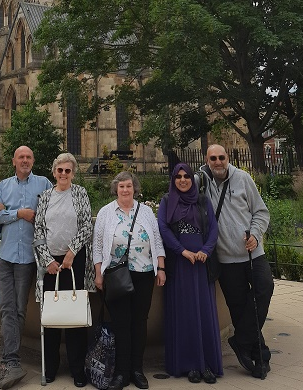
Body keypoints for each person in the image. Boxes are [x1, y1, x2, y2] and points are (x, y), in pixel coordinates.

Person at [200, 144, 274, 379]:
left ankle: (241, 340)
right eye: (213, 158)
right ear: (207, 160)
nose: (218, 162)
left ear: (228, 158)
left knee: (265, 288)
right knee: (240, 307)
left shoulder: (242, 179)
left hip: (253, 253)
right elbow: (179, 184)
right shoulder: (202, 182)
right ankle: (260, 355)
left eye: (221, 157)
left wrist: (254, 233)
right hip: (226, 260)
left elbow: (261, 212)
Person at [93, 171, 166, 390]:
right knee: (121, 324)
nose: (125, 190)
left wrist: (160, 267)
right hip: (116, 275)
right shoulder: (106, 212)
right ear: (116, 189)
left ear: (135, 188)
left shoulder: (145, 212)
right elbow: (97, 245)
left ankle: (137, 370)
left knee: (139, 322)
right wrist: (98, 273)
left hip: (143, 273)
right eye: (122, 186)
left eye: (129, 186)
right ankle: (121, 373)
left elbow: (158, 240)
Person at [0, 145, 52, 389]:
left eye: (29, 157)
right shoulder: (4, 186)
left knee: (18, 309)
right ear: (14, 161)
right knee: (6, 308)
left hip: (28, 257)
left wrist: (8, 211)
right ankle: (10, 360)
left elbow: (47, 216)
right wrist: (20, 213)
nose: (25, 160)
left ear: (33, 160)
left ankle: (10, 360)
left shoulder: (44, 184)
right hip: (6, 256)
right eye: (21, 157)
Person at [157, 163, 222, 383]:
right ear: (173, 179)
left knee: (204, 313)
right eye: (178, 177)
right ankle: (190, 365)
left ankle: (207, 364)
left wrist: (205, 250)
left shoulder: (202, 200)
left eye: (186, 176)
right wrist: (182, 251)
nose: (183, 180)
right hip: (180, 264)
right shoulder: (167, 201)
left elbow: (213, 228)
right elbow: (163, 229)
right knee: (184, 314)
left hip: (201, 264)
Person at [33, 153, 94, 387]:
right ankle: (50, 368)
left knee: (74, 314)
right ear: (54, 172)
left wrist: (71, 252)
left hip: (74, 261)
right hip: (50, 264)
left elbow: (87, 225)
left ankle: (78, 369)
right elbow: (38, 229)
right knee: (51, 316)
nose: (63, 175)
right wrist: (47, 260)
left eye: (68, 171)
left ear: (73, 173)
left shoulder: (80, 193)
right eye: (60, 170)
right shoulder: (46, 196)